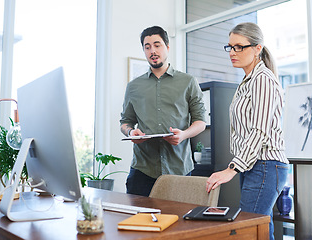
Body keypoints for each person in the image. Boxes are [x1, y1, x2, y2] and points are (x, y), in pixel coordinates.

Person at [205, 22, 289, 240]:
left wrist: (231, 169)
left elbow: (259, 131)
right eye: (230, 47)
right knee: (259, 229)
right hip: (255, 165)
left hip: (266, 166)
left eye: (239, 47)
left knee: (248, 230)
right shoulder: (247, 80)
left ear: (257, 48)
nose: (233, 52)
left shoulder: (262, 80)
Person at [120, 26, 206, 197]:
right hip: (143, 170)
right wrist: (131, 132)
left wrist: (183, 135)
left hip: (179, 169)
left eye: (157, 45)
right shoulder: (134, 87)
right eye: (147, 46)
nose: (152, 51)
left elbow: (200, 121)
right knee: (138, 222)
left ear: (167, 47)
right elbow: (125, 122)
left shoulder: (188, 82)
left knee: (179, 222)